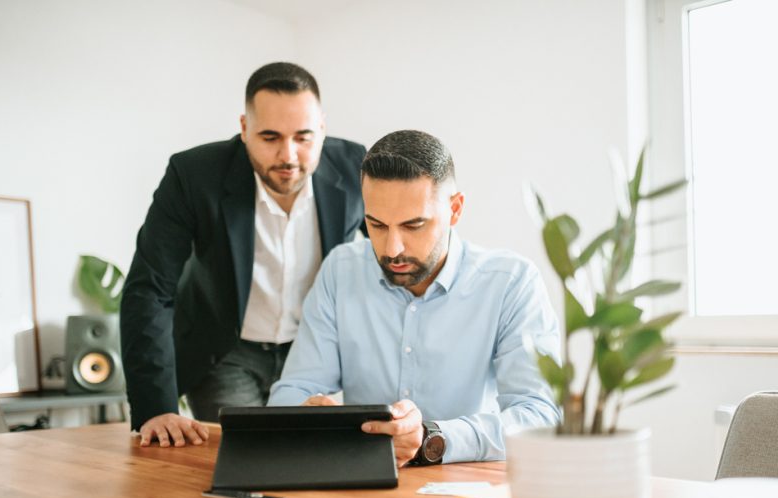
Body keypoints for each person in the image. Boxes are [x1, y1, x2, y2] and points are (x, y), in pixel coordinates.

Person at [269, 130, 561, 467]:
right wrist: (305, 414)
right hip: (360, 488)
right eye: (376, 225)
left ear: (455, 209)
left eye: (414, 225)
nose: (392, 249)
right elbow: (291, 392)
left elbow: (540, 416)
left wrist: (433, 437)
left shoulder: (511, 283)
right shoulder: (340, 270)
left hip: (465, 487)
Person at [121, 62, 366, 448]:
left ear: (322, 128)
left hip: (312, 351)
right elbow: (149, 289)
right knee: (244, 455)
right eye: (270, 137)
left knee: (314, 456)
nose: (288, 156)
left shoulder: (356, 168)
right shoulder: (193, 175)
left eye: (303, 137)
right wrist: (155, 406)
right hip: (225, 354)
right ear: (244, 128)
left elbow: (393, 260)